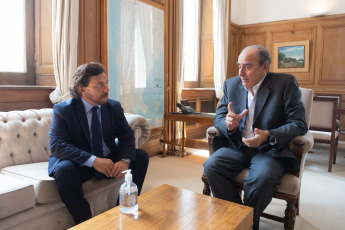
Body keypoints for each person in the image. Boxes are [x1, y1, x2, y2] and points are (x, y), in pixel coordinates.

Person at [203, 45, 308, 230]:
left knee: (261, 179)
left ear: (265, 67)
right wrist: (227, 123)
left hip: (269, 151)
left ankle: (246, 223)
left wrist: (269, 135)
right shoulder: (231, 84)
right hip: (238, 146)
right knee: (211, 166)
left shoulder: (285, 83)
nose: (241, 72)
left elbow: (299, 123)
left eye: (248, 66)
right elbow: (219, 116)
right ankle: (239, 219)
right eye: (239, 66)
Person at [48, 62, 149, 224]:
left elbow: (127, 136)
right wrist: (93, 161)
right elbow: (57, 145)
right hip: (81, 163)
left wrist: (124, 160)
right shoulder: (63, 110)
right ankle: (87, 223)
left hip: (108, 159)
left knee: (141, 156)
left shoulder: (114, 107)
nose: (107, 89)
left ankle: (122, 210)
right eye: (100, 85)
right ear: (83, 90)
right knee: (64, 170)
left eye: (107, 83)